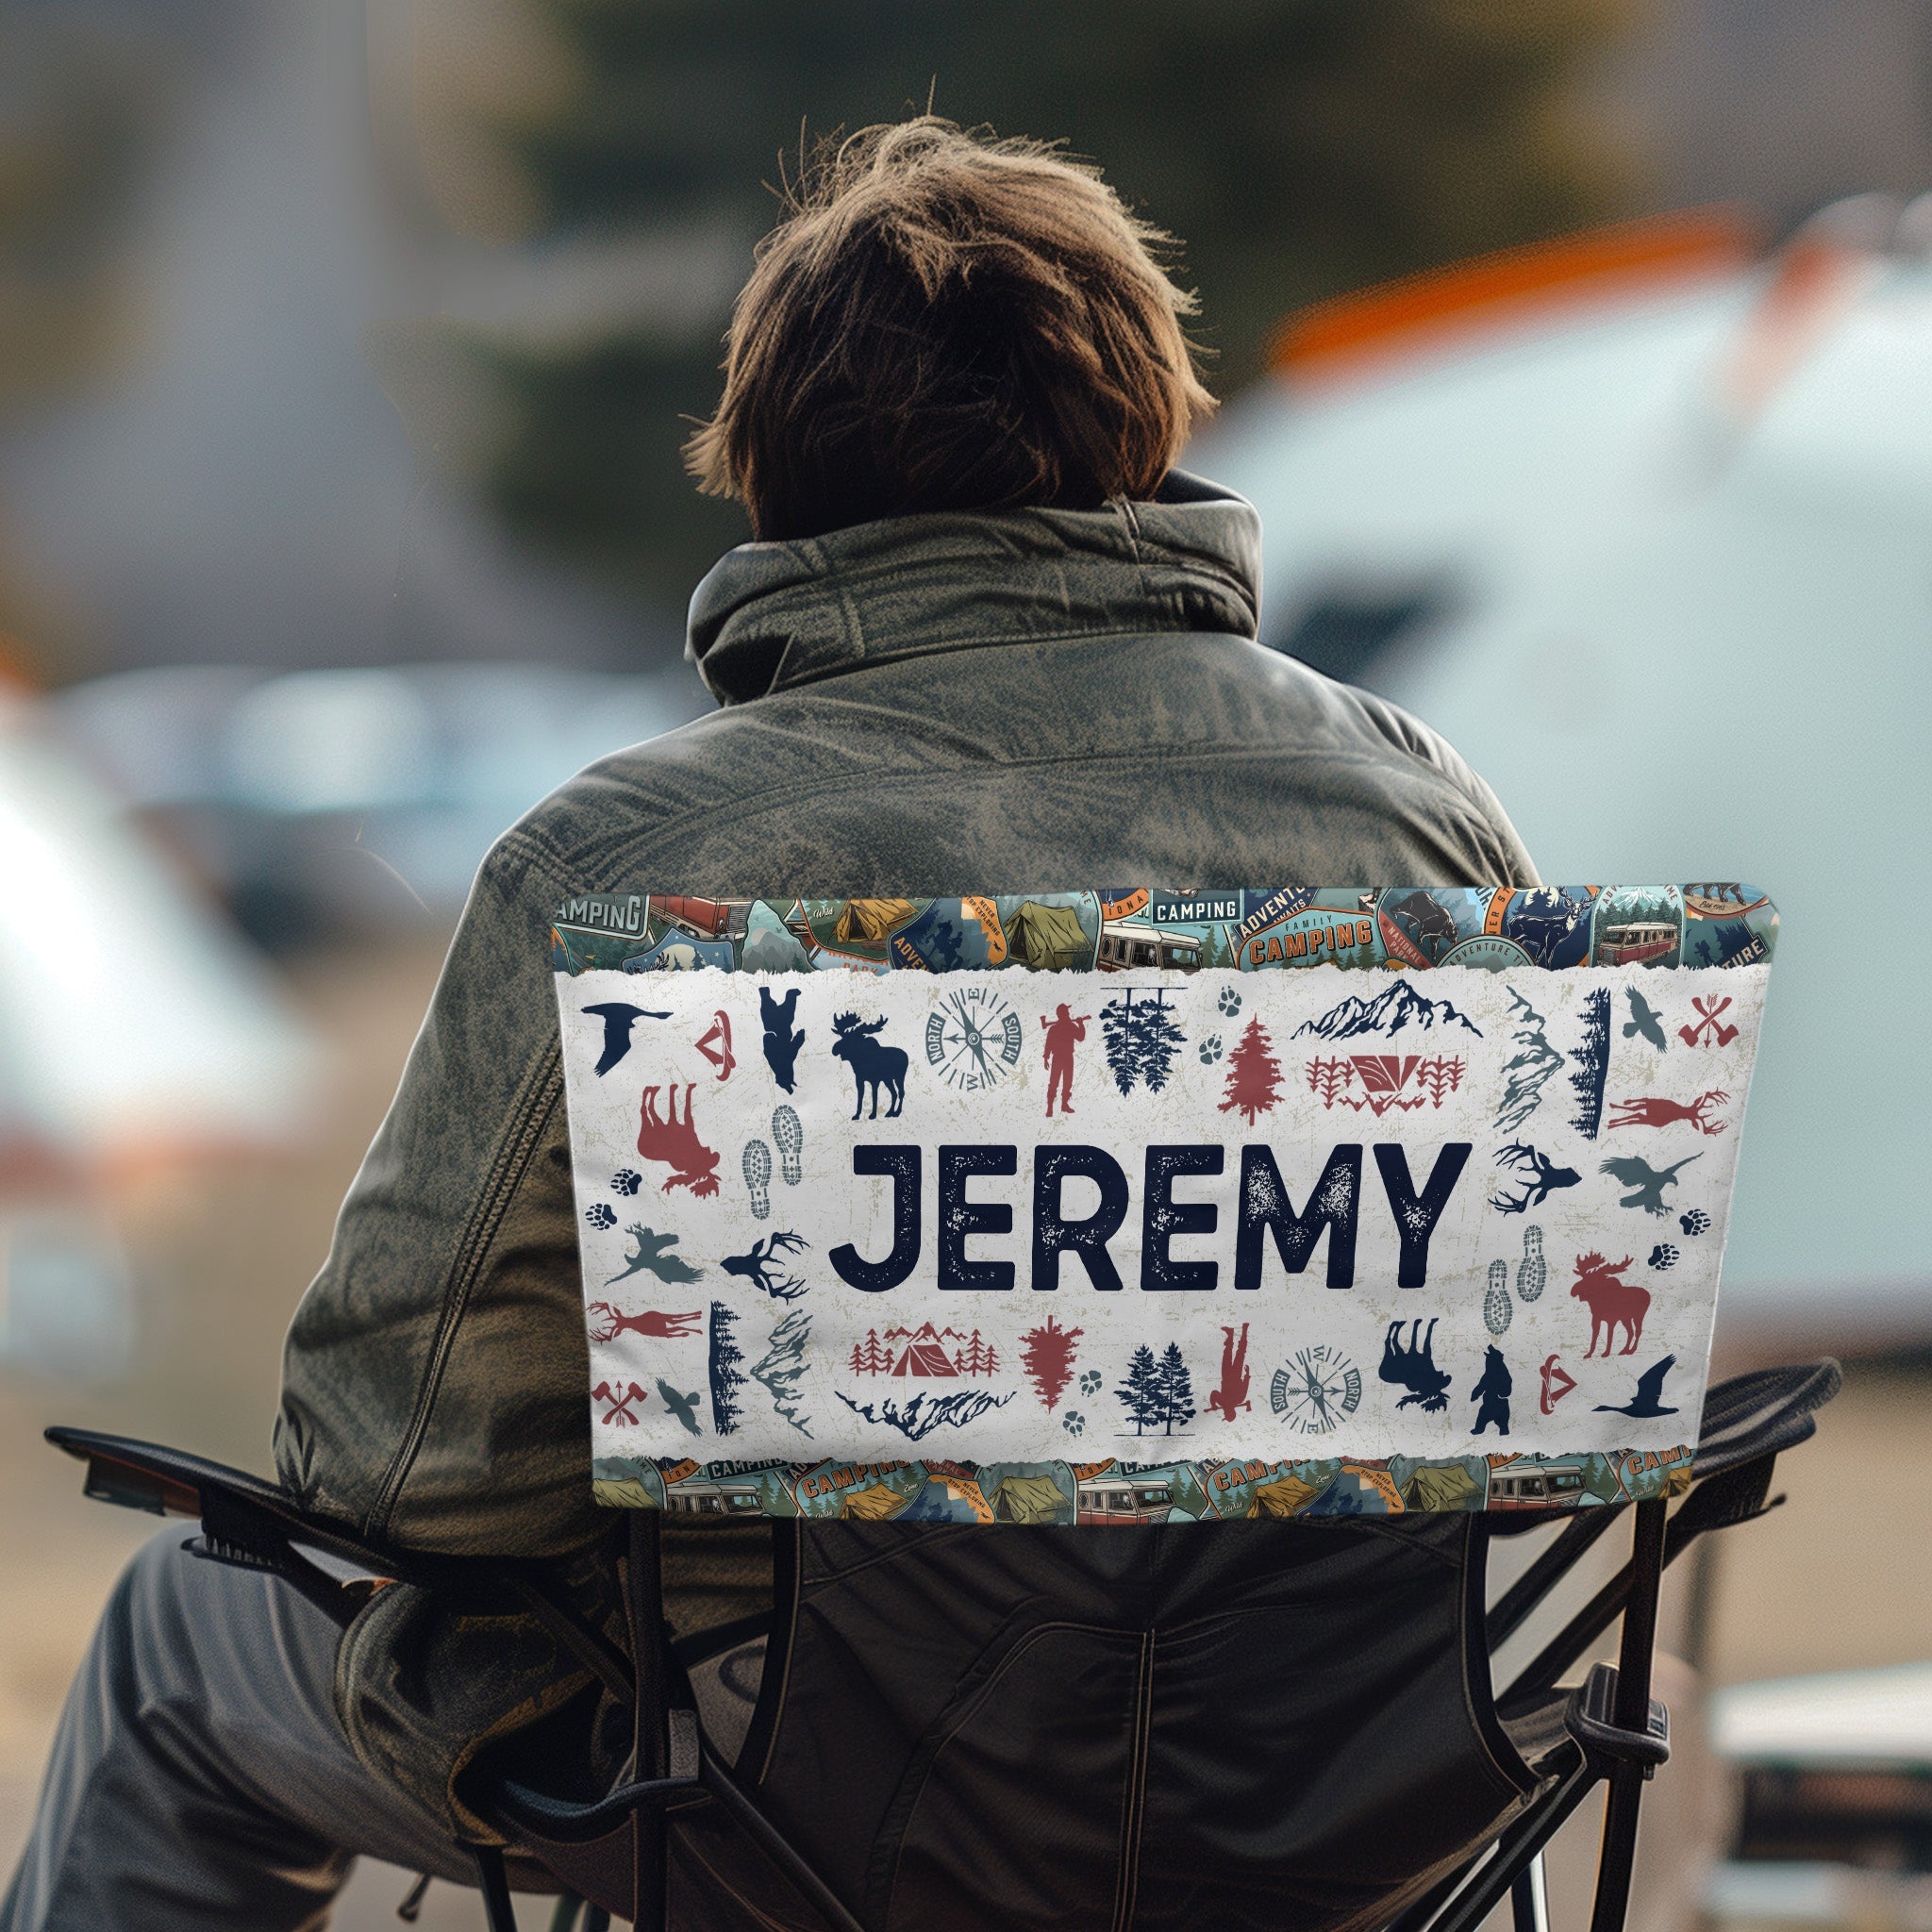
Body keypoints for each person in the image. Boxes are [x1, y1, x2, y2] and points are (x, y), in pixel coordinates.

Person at [3, 117, 1535, 1930]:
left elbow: (399, 1467)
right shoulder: (1422, 821)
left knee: (182, 1638)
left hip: (797, 1795)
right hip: (1334, 1780)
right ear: (1145, 418)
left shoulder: (634, 865)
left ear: (777, 469)